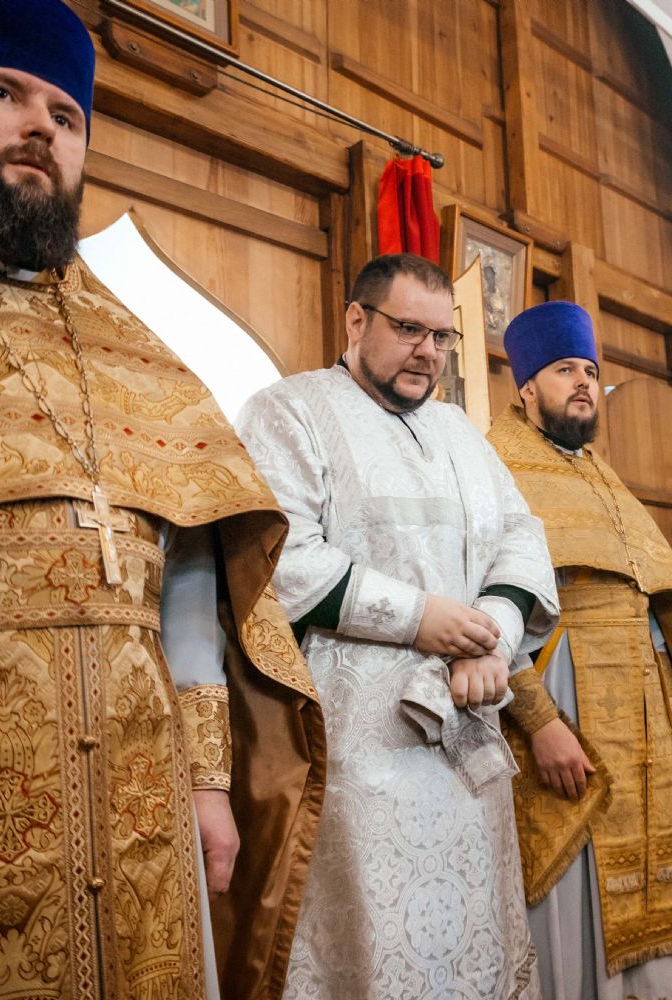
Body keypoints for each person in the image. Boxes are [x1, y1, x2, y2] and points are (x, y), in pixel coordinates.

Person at [0, 1, 326, 997]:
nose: (40, 126)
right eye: (3, 92)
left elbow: (186, 576)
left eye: (65, 113)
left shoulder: (133, 349)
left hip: (138, 801)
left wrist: (208, 783)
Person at [234, 253, 559, 999]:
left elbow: (522, 535)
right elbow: (277, 555)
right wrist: (422, 620)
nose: (429, 352)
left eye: (442, 337)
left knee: (471, 944)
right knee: (377, 952)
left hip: (468, 734)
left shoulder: (458, 429)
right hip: (357, 747)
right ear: (356, 319)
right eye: (409, 329)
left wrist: (493, 637)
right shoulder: (288, 411)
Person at [486, 301, 672, 1000]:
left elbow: (644, 594)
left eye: (591, 372)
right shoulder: (495, 466)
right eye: (565, 370)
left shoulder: (601, 472)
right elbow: (485, 608)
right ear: (527, 387)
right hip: (560, 691)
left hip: (642, 702)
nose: (583, 384)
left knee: (653, 861)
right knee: (577, 874)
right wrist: (541, 724)